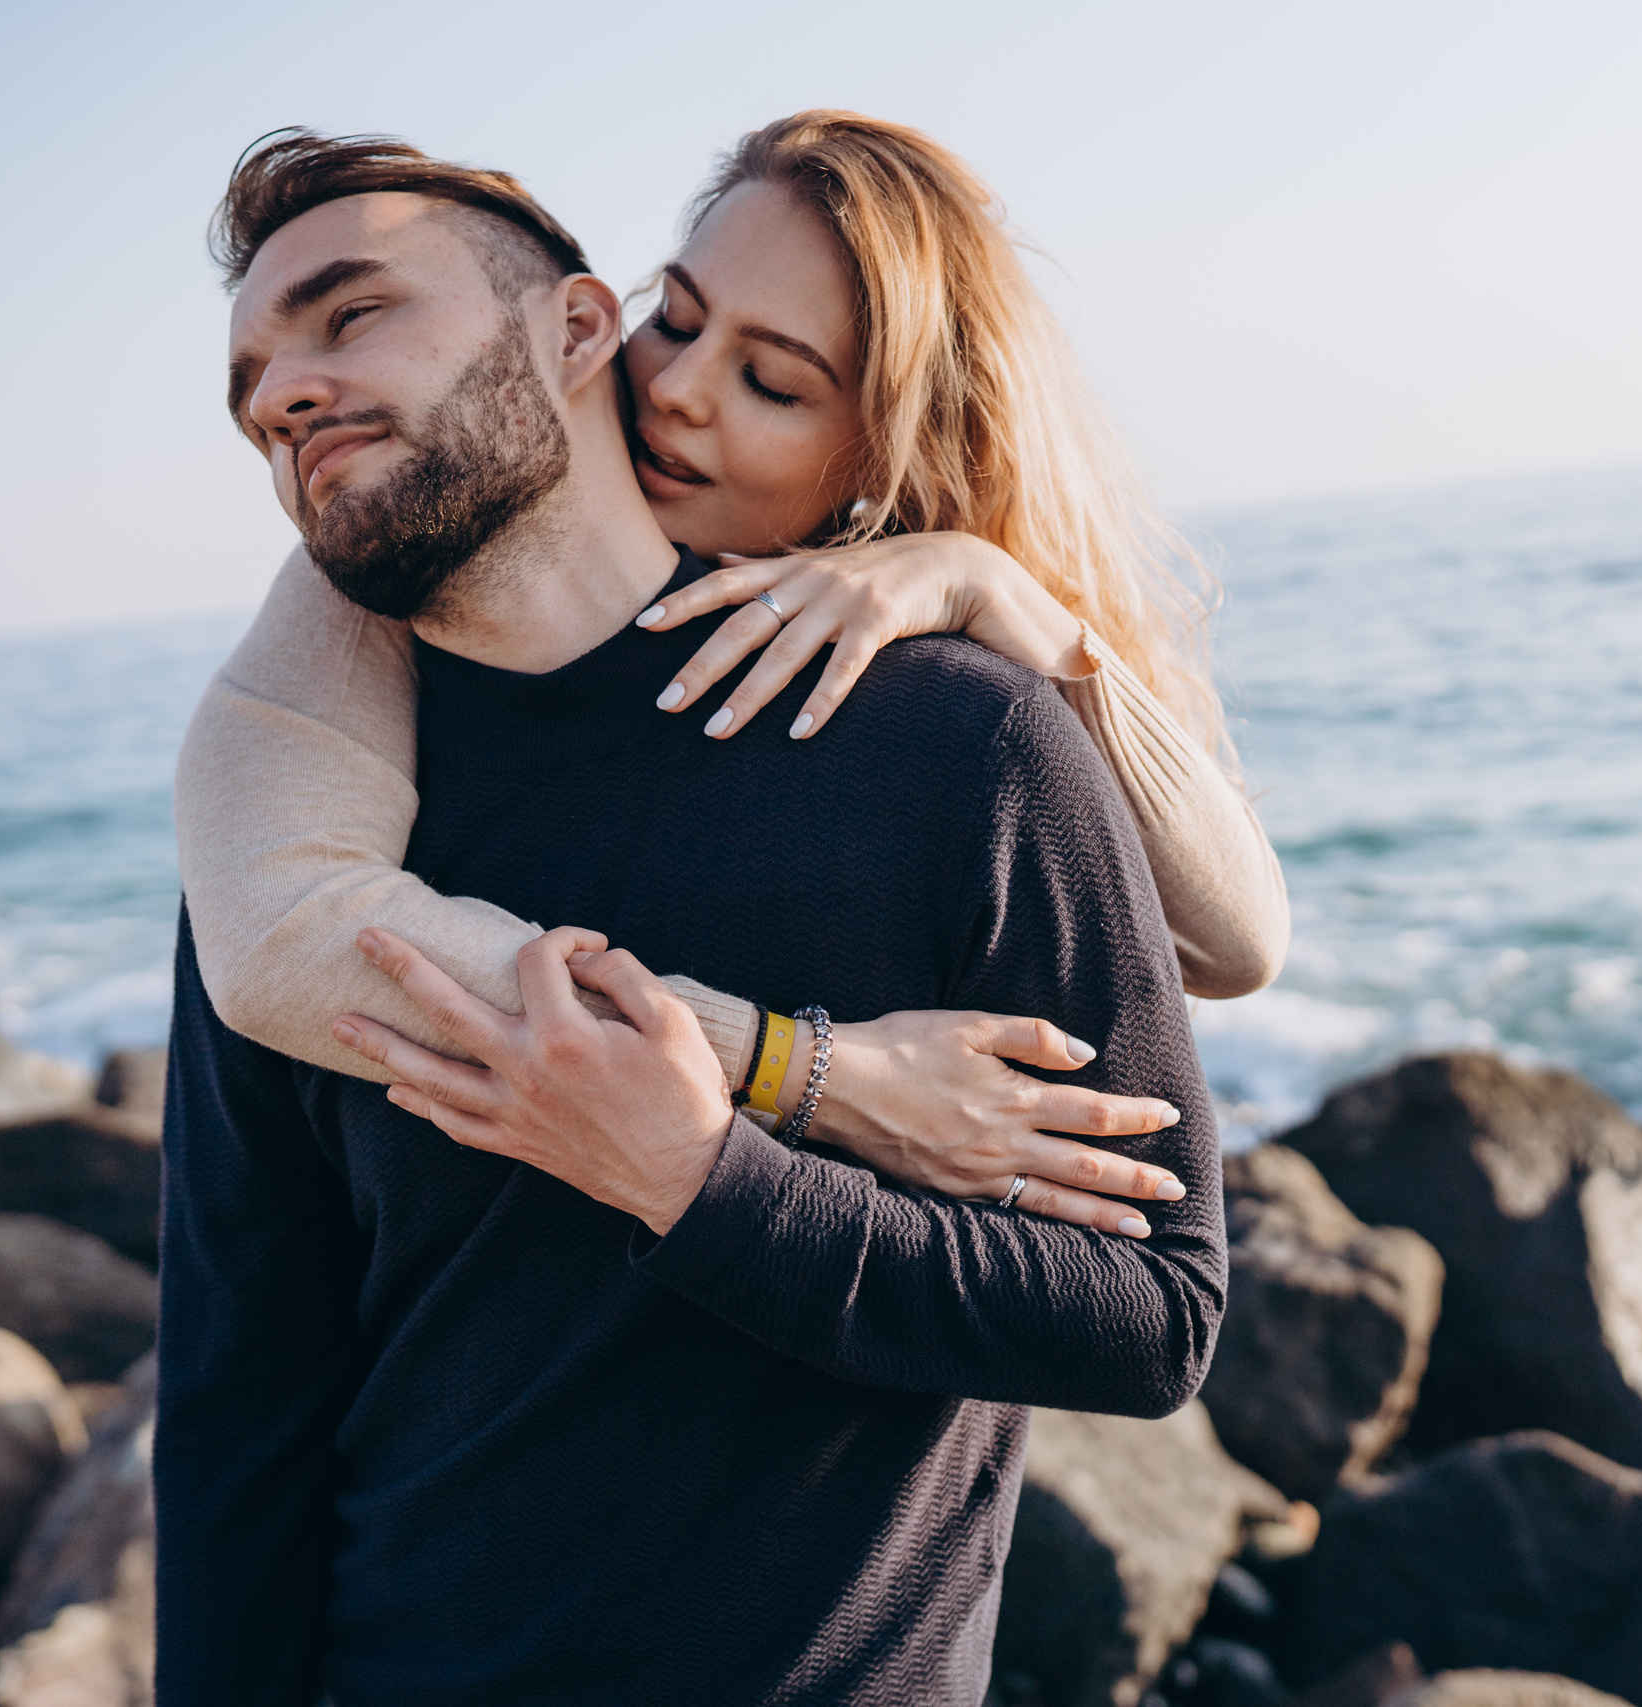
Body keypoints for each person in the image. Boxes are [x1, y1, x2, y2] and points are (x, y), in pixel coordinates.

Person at [158, 126, 1224, 1705]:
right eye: (250, 371)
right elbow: (245, 1398)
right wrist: (801, 1079)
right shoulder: (313, 846)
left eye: (350, 311)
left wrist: (707, 1184)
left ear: (578, 327)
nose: (279, 389)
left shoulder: (952, 743)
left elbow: (1149, 1315)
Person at [176, 114, 1285, 1235]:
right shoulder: (422, 521)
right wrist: (803, 1073)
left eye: (770, 381)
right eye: (680, 319)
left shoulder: (952, 717)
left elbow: (1234, 946)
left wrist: (993, 590)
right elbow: (282, 931)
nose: (677, 390)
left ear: (881, 451)